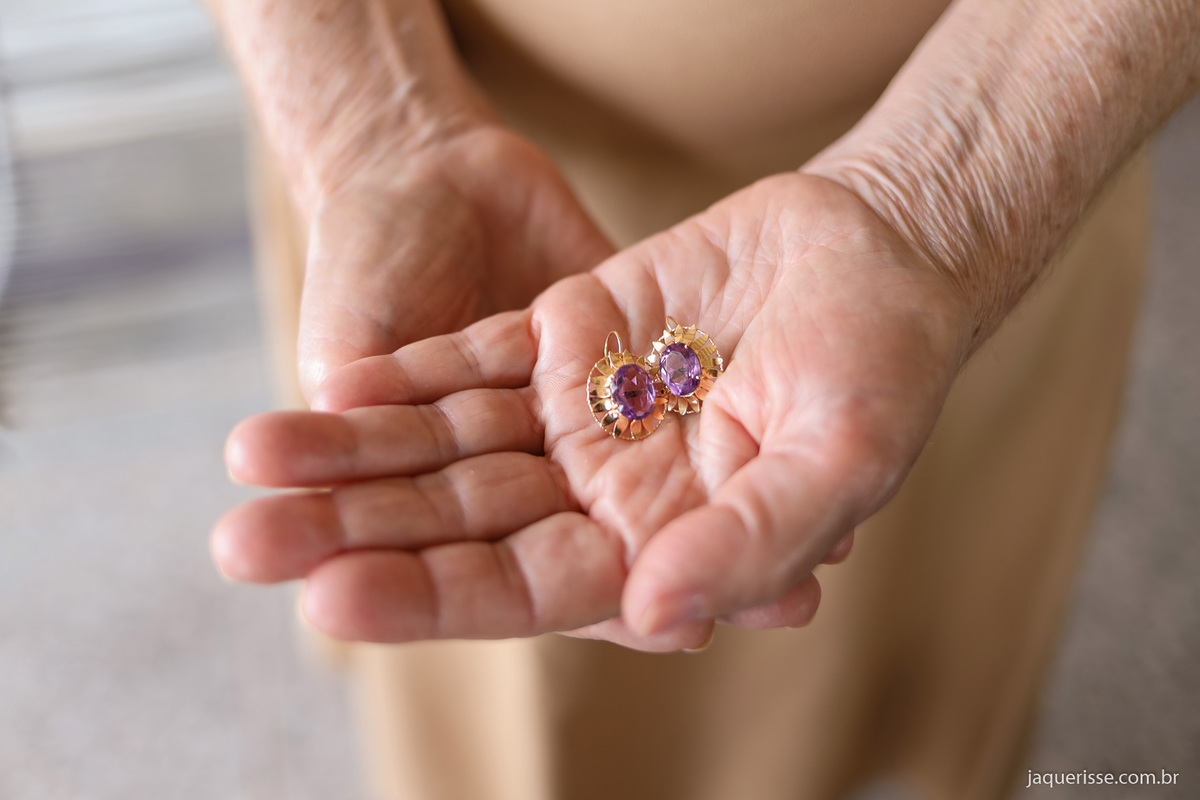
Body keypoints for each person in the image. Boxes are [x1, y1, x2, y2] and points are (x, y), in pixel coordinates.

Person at [207, 1, 1199, 798]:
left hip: (1008, 135)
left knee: (897, 610)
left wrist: (934, 205)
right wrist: (373, 121)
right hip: (438, 141)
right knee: (498, 676)